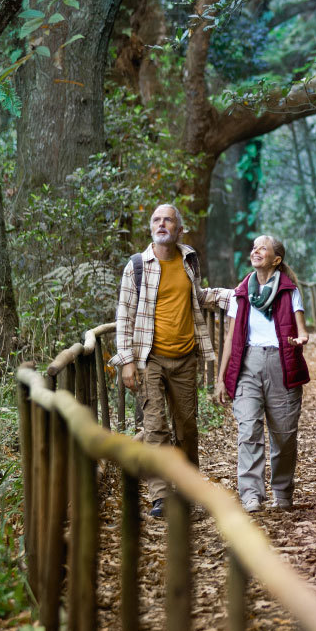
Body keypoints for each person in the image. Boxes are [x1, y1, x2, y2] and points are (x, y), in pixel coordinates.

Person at [112, 203, 216, 518]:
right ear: (151, 228)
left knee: (186, 428)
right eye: (156, 219)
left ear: (178, 228)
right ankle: (160, 497)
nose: (161, 224)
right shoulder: (136, 266)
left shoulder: (189, 260)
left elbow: (198, 297)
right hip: (149, 358)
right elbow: (124, 315)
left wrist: (234, 296)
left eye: (168, 219)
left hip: (185, 358)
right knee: (155, 426)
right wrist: (127, 361)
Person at [208, 235, 311, 512]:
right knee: (249, 429)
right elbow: (229, 337)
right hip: (247, 364)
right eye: (254, 247)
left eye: (262, 248)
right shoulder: (241, 292)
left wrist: (301, 339)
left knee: (284, 434)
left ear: (276, 259)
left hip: (281, 361)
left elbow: (302, 329)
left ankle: (282, 491)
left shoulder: (289, 292)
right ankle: (251, 493)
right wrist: (220, 379)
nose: (255, 251)